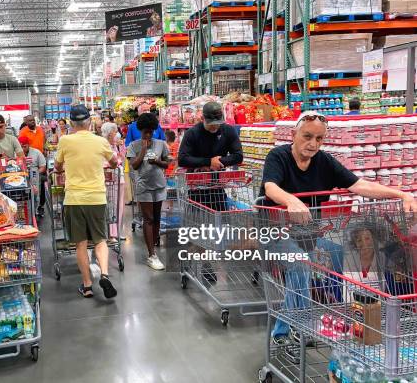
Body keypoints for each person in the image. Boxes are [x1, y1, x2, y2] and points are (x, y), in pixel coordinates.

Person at [261, 111, 417, 350]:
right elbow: (270, 187)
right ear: (294, 135)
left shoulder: (324, 161)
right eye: (307, 136)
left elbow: (360, 185)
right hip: (275, 232)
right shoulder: (278, 156)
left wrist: (401, 194)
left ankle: (298, 325)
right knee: (301, 265)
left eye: (319, 138)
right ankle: (291, 329)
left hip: (308, 234)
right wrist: (291, 201)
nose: (313, 143)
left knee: (333, 257)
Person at [54, 105, 119, 299]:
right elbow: (114, 162)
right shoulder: (100, 141)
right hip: (97, 197)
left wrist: (61, 169)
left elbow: (57, 166)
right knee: (100, 240)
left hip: (74, 198)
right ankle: (105, 274)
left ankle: (87, 285)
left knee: (81, 244)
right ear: (89, 122)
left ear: (71, 123)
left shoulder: (65, 141)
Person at [178, 101, 243, 210]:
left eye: (217, 123)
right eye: (211, 123)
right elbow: (182, 159)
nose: (214, 126)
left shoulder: (228, 131)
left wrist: (219, 162)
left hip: (218, 185)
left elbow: (238, 156)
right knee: (197, 221)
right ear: (202, 118)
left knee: (220, 219)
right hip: (196, 187)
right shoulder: (192, 133)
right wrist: (208, 162)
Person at [127, 113, 169, 270]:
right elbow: (135, 165)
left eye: (151, 131)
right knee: (148, 219)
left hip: (159, 185)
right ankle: (151, 255)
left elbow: (167, 164)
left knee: (157, 218)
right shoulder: (133, 146)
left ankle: (154, 247)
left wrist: (158, 161)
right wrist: (143, 150)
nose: (148, 135)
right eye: (145, 132)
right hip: (143, 187)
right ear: (140, 131)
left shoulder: (161, 144)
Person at [101, 122, 126, 243]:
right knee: (110, 206)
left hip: (119, 178)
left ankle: (117, 231)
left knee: (119, 205)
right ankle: (110, 233)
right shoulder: (103, 145)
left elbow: (122, 157)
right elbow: (103, 162)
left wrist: (121, 147)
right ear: (110, 133)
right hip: (109, 179)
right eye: (116, 132)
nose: (117, 134)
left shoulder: (116, 145)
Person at [18, 135, 47, 216]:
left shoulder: (36, 152)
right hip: (21, 175)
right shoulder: (16, 153)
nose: (23, 149)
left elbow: (43, 166)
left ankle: (40, 206)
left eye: (24, 146)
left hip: (35, 173)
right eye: (21, 147)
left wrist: (37, 173)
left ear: (28, 144)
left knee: (41, 182)